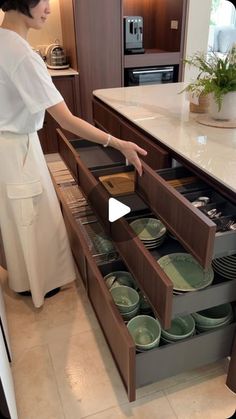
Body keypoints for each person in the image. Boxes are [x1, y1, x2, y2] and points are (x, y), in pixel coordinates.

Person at [0, 0, 147, 308]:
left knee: (19, 221)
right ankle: (37, 286)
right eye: (43, 1)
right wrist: (118, 143)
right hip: (17, 149)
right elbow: (67, 120)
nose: (49, 9)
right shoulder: (22, 56)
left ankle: (27, 281)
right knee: (34, 220)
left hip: (9, 149)